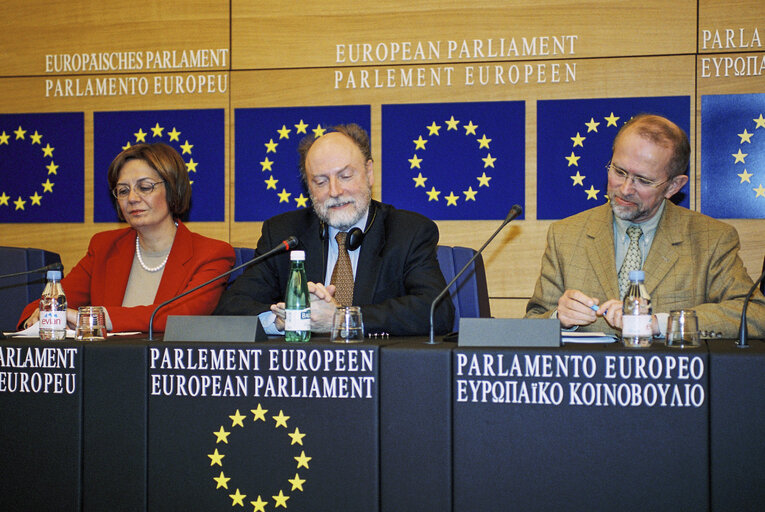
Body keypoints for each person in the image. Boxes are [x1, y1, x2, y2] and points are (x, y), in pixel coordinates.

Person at [526, 114, 765, 338]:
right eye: (619, 171)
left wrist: (658, 323)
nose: (626, 188)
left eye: (643, 180)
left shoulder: (711, 239)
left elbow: (754, 315)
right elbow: (532, 322)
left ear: (673, 186)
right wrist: (560, 318)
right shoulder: (566, 235)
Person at [214, 123, 454, 336]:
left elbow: (436, 311)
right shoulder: (283, 233)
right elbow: (230, 307)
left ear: (369, 173)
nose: (335, 191)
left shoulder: (408, 231)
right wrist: (282, 320)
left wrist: (341, 318)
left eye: (345, 176)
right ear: (308, 186)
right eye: (320, 181)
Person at [18, 143, 235, 333]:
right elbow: (47, 304)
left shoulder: (211, 254)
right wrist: (40, 316)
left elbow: (181, 318)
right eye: (123, 191)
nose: (132, 198)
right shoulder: (104, 247)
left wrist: (96, 318)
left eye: (144, 187)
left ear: (173, 190)